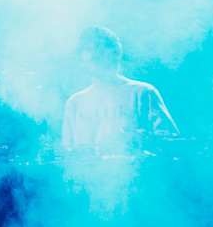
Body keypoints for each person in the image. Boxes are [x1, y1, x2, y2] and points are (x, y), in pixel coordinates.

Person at [60, 25, 178, 157]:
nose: (93, 54)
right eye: (87, 49)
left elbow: (171, 142)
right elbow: (67, 154)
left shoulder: (142, 93)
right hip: (87, 176)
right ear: (81, 58)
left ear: (115, 52)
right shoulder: (75, 103)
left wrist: (137, 140)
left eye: (99, 47)